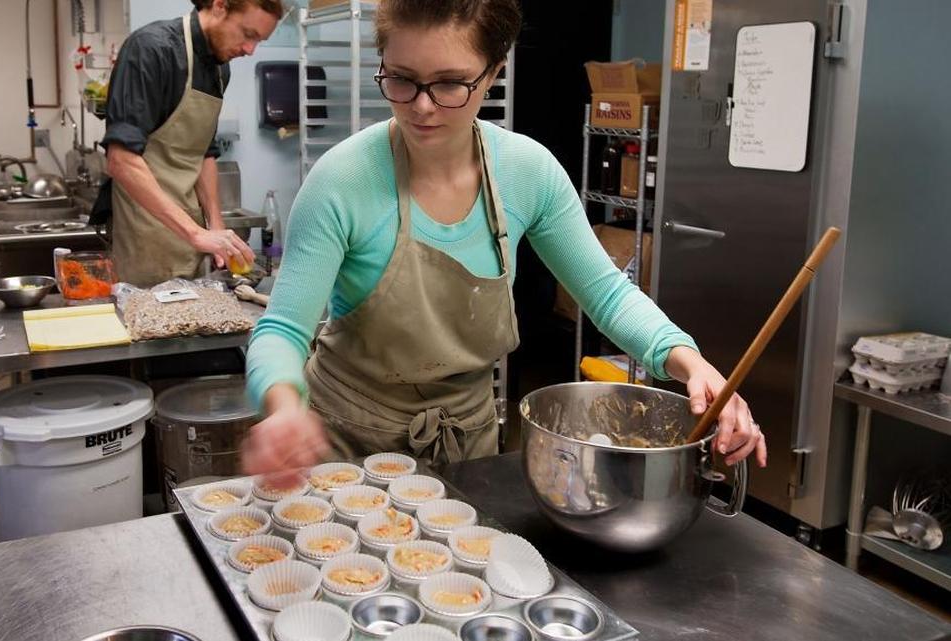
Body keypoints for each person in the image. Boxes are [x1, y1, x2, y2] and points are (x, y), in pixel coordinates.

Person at [241, 0, 767, 481]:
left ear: (493, 72)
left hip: (469, 446)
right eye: (402, 79)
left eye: (450, 84)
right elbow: (283, 330)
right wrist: (285, 408)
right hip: (345, 444)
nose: (422, 106)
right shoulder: (344, 180)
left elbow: (606, 294)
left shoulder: (525, 172)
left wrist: (690, 363)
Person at [96, 0, 277, 287]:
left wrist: (215, 225)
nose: (249, 50)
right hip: (144, 233)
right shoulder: (151, 50)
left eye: (259, 41)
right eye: (248, 34)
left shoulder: (220, 70)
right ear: (219, 6)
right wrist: (194, 233)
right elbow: (121, 161)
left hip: (190, 233)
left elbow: (204, 152)